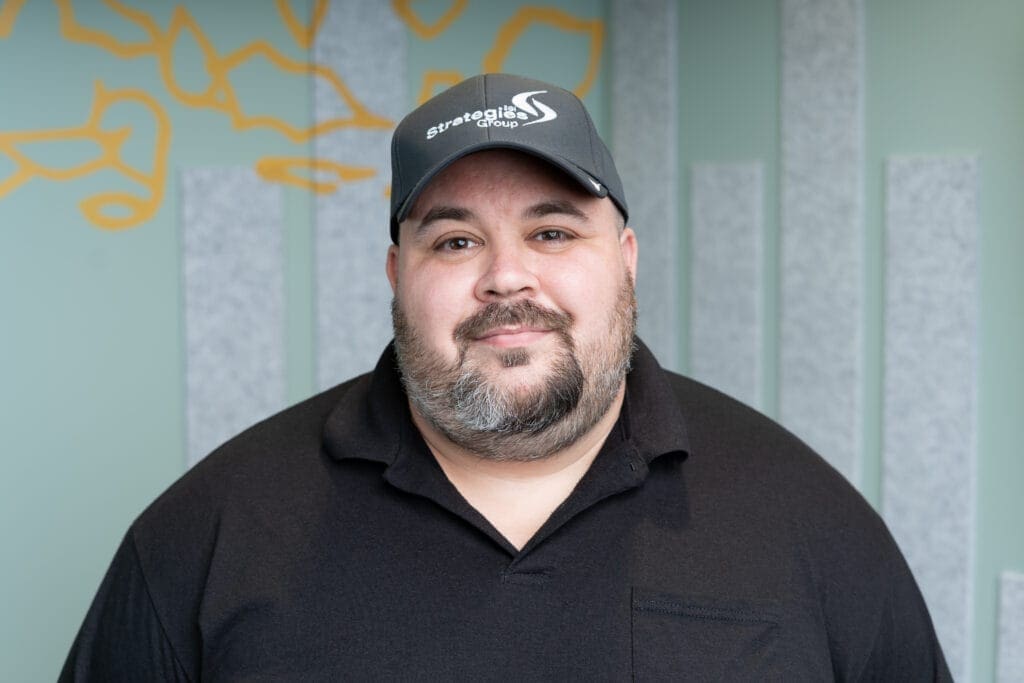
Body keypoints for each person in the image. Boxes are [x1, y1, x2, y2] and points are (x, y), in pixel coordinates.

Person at [61, 73, 950, 680]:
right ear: (396, 273)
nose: (507, 275)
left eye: (553, 232)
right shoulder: (206, 534)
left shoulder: (809, 522)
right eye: (455, 240)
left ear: (627, 260)